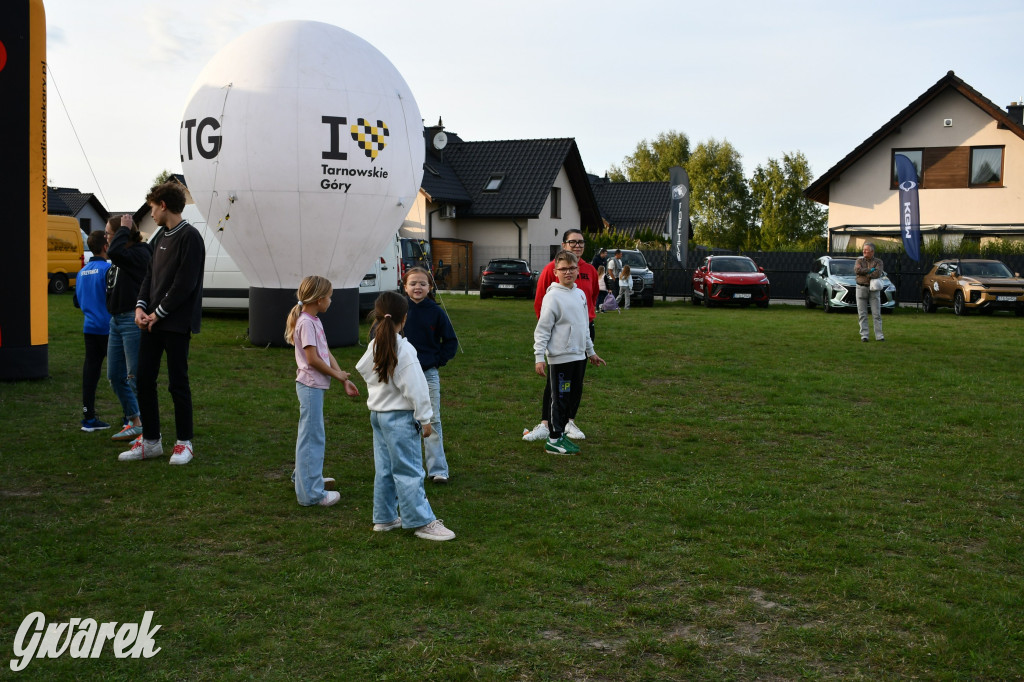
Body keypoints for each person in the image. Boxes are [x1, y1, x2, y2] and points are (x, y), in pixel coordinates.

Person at [356, 291, 455, 541]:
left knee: (386, 468)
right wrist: (425, 419)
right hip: (400, 418)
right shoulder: (405, 349)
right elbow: (417, 389)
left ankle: (385, 517)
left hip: (378, 416)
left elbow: (363, 369)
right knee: (410, 470)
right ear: (405, 317)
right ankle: (421, 521)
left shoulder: (376, 343)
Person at [118, 182, 205, 465]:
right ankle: (152, 441)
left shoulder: (190, 237)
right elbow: (149, 277)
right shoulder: (159, 237)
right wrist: (141, 307)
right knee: (143, 379)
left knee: (177, 383)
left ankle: (184, 442)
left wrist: (160, 312)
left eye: (153, 207)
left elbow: (185, 283)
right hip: (151, 324)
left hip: (175, 325)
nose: (151, 213)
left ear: (163, 205)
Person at [285, 275, 360, 507]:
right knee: (312, 438)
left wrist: (342, 379)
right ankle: (311, 494)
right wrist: (336, 375)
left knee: (310, 434)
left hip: (313, 386)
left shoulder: (313, 320)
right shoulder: (306, 323)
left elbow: (325, 352)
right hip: (309, 386)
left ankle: (306, 478)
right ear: (318, 300)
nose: (331, 301)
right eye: (329, 297)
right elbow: (312, 359)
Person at [524, 229, 600, 442]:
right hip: (559, 343)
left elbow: (591, 300)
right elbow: (542, 311)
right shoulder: (552, 276)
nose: (577, 245)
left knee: (575, 384)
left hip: (581, 338)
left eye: (581, 242)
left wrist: (590, 349)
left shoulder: (588, 275)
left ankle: (568, 423)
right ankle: (548, 427)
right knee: (557, 388)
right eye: (572, 242)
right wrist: (542, 351)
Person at [533, 250, 606, 454]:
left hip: (578, 357)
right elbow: (542, 330)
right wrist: (539, 357)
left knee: (571, 396)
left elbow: (583, 327)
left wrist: (590, 352)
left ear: (577, 270)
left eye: (572, 268)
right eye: (563, 269)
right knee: (560, 397)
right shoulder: (552, 297)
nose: (568, 272)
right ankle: (554, 440)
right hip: (560, 359)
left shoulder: (580, 294)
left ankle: (562, 434)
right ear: (555, 271)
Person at [402, 267, 458, 484]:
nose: (418, 287)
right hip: (402, 375)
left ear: (430, 287)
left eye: (422, 284)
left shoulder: (436, 312)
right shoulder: (399, 310)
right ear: (405, 286)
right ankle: (410, 467)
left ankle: (437, 469)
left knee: (432, 419)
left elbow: (450, 341)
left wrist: (437, 361)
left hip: (428, 373)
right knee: (405, 420)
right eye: (413, 283)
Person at [105, 214, 153, 442]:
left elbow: (114, 252)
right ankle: (135, 422)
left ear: (123, 234)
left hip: (131, 321)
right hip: (116, 321)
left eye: (109, 234)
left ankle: (149, 429)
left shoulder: (139, 253)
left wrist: (123, 229)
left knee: (135, 377)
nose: (106, 239)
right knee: (115, 376)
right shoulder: (123, 256)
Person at [74, 231, 112, 432]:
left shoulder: (82, 271)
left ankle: (88, 417)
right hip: (107, 329)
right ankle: (130, 418)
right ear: (105, 247)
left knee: (91, 373)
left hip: (89, 328)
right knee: (120, 374)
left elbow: (76, 301)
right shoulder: (108, 269)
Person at [854, 241, 885, 342]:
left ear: (872, 252)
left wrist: (865, 272)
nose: (864, 251)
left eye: (866, 250)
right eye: (863, 250)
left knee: (876, 313)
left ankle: (879, 336)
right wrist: (870, 270)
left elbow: (877, 273)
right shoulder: (859, 260)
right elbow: (857, 271)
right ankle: (864, 336)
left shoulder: (878, 261)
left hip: (873, 289)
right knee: (862, 314)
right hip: (860, 288)